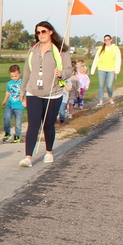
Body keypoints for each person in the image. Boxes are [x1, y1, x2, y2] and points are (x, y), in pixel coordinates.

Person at [19, 21, 72, 167]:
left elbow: (69, 70)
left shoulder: (61, 51)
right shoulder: (33, 50)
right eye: (38, 32)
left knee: (48, 125)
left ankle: (49, 152)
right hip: (33, 92)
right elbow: (27, 72)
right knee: (33, 125)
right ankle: (28, 157)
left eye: (43, 31)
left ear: (50, 32)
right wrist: (22, 90)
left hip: (53, 93)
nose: (40, 34)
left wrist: (62, 73)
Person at [91, 34, 122, 106]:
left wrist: (117, 71)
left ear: (111, 40)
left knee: (109, 86)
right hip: (101, 69)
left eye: (108, 39)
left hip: (111, 69)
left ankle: (111, 98)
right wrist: (93, 69)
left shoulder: (115, 48)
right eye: (105, 40)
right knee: (101, 85)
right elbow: (96, 59)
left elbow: (118, 60)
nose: (107, 41)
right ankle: (101, 101)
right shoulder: (101, 48)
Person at [1, 64, 24, 144]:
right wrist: (5, 100)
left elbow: (27, 93)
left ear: (20, 73)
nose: (14, 78)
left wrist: (25, 101)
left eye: (16, 76)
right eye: (12, 76)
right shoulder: (9, 83)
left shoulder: (23, 82)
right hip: (10, 105)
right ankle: (7, 133)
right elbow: (8, 92)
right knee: (6, 118)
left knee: (18, 122)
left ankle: (17, 135)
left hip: (19, 106)